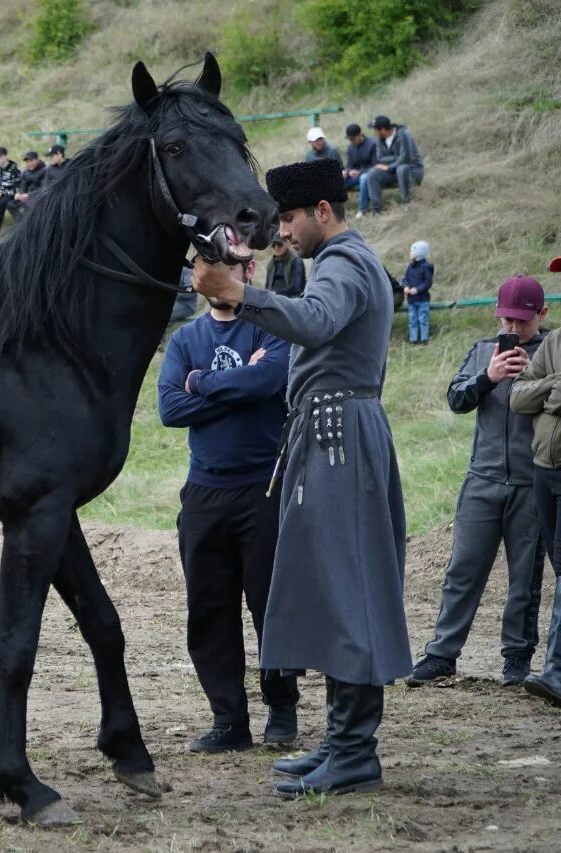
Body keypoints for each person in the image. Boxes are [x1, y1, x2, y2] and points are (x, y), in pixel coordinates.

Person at [191, 157, 410, 798]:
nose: (282, 232)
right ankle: (344, 743)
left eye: (288, 218)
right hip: (329, 434)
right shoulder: (343, 263)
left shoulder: (343, 263)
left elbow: (312, 322)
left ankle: (354, 754)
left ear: (322, 211)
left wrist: (236, 294)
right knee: (335, 590)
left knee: (348, 594)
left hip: (339, 436)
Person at [158, 257, 299, 754]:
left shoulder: (274, 328)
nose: (222, 275)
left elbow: (270, 382)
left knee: (271, 606)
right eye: (211, 266)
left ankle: (282, 709)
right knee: (209, 610)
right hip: (203, 492)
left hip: (264, 487)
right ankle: (228, 720)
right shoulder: (184, 340)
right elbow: (170, 409)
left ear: (251, 268)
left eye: (234, 266)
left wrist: (200, 384)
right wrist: (239, 385)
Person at [407, 276, 548, 688]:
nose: (513, 329)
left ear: (542, 314)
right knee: (462, 572)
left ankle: (517, 660)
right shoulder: (483, 351)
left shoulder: (552, 353)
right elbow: (456, 400)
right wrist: (488, 376)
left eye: (522, 321)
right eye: (506, 319)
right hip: (482, 479)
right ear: (496, 313)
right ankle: (441, 655)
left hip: (530, 482)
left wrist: (531, 381)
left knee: (525, 579)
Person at [512, 262, 561, 708]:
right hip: (545, 468)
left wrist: (545, 392)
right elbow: (518, 397)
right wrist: (556, 387)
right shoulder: (557, 342)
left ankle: (555, 670)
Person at [364, 115, 425, 213]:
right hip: (393, 171)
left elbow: (406, 158)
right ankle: (376, 210)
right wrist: (398, 157)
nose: (374, 133)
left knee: (402, 168)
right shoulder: (379, 139)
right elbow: (380, 158)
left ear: (383, 130)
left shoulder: (404, 135)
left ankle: (407, 204)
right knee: (372, 173)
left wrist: (389, 166)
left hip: (412, 170)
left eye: (375, 130)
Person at [342, 124, 377, 219]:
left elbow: (376, 165)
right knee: (339, 180)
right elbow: (349, 165)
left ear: (360, 135)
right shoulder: (351, 148)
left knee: (363, 178)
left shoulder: (372, 144)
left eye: (353, 138)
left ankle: (362, 209)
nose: (351, 141)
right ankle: (336, 210)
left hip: (369, 174)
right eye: (349, 139)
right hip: (354, 175)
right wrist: (346, 172)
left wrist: (360, 172)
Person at [403, 241, 435, 344]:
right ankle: (413, 339)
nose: (410, 253)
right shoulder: (410, 267)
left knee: (422, 319)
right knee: (412, 320)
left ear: (419, 253)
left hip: (422, 299)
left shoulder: (426, 267)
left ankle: (424, 339)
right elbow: (405, 279)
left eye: (412, 251)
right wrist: (405, 287)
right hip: (411, 300)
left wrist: (417, 289)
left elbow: (427, 283)